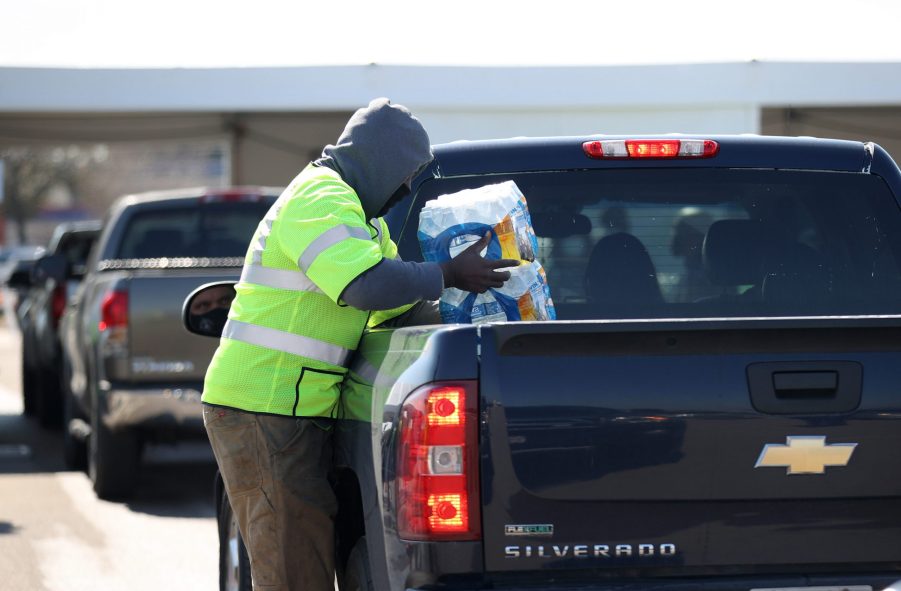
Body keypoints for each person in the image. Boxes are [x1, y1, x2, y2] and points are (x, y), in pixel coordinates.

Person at [201, 98, 518, 591]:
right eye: (407, 175)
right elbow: (366, 286)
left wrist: (479, 316)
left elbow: (396, 310)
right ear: (381, 160)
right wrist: (447, 273)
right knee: (292, 571)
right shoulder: (320, 198)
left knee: (303, 554)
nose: (408, 188)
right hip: (262, 408)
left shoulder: (366, 226)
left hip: (292, 411)